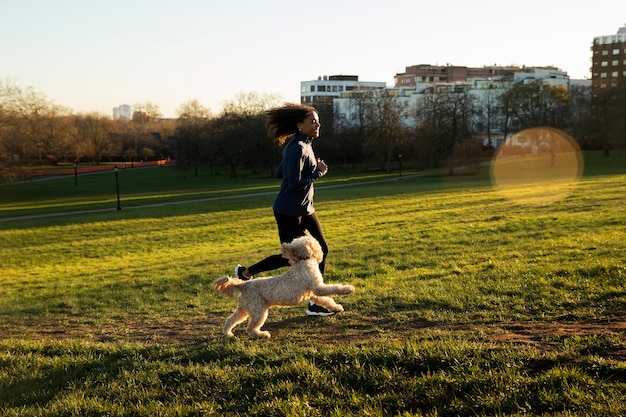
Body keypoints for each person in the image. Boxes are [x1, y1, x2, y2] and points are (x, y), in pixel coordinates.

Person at [234, 102, 334, 316]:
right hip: (289, 210)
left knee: (322, 249)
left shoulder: (305, 143)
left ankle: (316, 302)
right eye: (313, 121)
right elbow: (292, 184)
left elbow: (281, 173)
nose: (318, 125)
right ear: (300, 125)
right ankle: (246, 272)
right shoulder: (297, 148)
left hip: (306, 208)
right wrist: (318, 173)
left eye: (318, 121)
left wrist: (309, 167)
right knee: (293, 257)